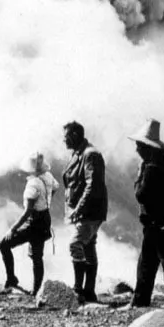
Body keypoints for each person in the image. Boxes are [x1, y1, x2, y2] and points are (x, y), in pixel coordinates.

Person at [128, 119, 164, 308]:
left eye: (139, 146)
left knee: (148, 264)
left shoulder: (152, 168)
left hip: (156, 224)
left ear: (147, 147)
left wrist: (137, 180)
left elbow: (141, 195)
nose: (137, 150)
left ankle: (142, 301)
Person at [0, 152, 59, 296]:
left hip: (33, 221)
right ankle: (36, 290)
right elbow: (55, 187)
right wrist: (46, 200)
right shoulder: (48, 176)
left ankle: (12, 279)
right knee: (37, 256)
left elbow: (27, 211)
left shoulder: (32, 184)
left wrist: (13, 229)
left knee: (3, 244)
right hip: (45, 219)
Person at [62, 121, 108, 303]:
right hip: (86, 210)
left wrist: (78, 209)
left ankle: (78, 290)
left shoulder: (90, 155)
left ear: (74, 136)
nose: (63, 140)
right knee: (88, 246)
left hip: (89, 211)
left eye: (65, 137)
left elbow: (93, 185)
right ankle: (89, 291)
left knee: (76, 244)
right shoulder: (80, 153)